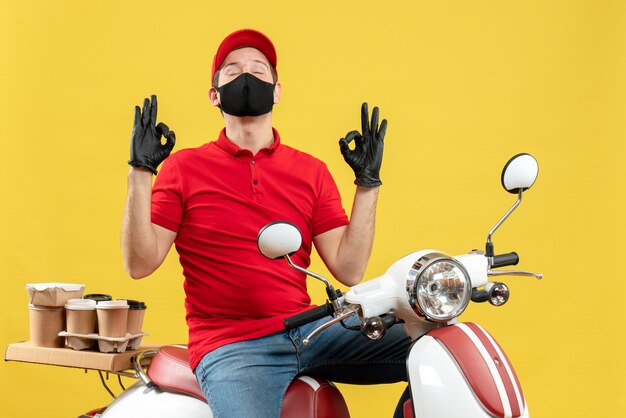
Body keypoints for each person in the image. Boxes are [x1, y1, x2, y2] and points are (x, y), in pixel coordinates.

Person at [121, 28, 411, 418]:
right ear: (214, 95)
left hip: (313, 330)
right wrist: (141, 172)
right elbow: (140, 264)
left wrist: (367, 184)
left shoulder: (310, 171)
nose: (247, 77)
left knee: (439, 346)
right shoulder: (183, 168)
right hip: (233, 346)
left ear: (276, 90)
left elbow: (349, 267)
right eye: (233, 71)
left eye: (259, 70)